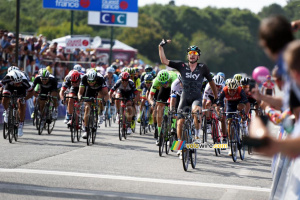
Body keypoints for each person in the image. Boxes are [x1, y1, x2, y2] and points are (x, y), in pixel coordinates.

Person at [158, 40, 217, 159]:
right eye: (190, 52)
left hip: (196, 97)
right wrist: (160, 46)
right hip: (184, 98)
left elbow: (211, 82)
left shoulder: (203, 67)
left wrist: (216, 97)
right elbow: (164, 61)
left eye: (195, 53)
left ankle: (196, 137)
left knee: (196, 112)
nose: (192, 54)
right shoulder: (182, 65)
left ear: (198, 56)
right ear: (188, 55)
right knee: (179, 123)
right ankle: (180, 147)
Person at [217, 79, 250, 156]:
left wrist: (245, 114)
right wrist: (220, 111)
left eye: (233, 90)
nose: (231, 92)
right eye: (230, 90)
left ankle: (244, 125)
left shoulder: (240, 90)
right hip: (230, 105)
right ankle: (232, 145)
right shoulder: (224, 90)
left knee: (240, 108)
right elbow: (220, 102)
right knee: (229, 122)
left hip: (239, 103)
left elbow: (247, 104)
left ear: (236, 89)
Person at [148, 69, 178, 145]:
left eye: (165, 82)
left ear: (168, 79)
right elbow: (150, 96)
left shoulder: (174, 78)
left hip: (173, 89)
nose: (164, 84)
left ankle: (173, 127)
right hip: (164, 91)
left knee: (174, 107)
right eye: (162, 83)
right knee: (159, 108)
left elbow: (177, 95)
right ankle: (159, 134)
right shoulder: (156, 81)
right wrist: (152, 103)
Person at [78, 69, 109, 138]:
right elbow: (80, 93)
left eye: (93, 81)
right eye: (90, 82)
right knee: (87, 107)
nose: (91, 83)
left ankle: (100, 113)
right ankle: (86, 130)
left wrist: (104, 100)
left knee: (100, 97)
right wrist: (80, 98)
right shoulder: (84, 78)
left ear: (96, 78)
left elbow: (106, 94)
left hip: (99, 90)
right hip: (89, 90)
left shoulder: (101, 78)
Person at [1, 70, 33, 136]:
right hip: (10, 87)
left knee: (22, 104)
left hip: (21, 89)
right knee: (5, 98)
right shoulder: (7, 78)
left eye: (19, 82)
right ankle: (7, 112)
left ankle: (20, 125)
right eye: (17, 83)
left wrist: (24, 98)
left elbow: (31, 92)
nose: (18, 84)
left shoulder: (24, 81)